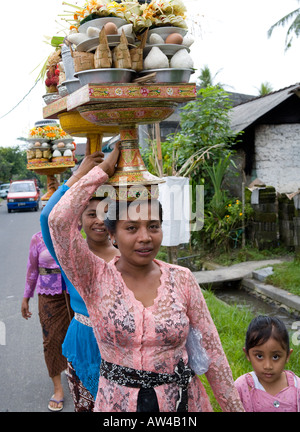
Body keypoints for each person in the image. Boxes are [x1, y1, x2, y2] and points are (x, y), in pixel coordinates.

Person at [48, 145, 244, 412]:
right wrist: (100, 172)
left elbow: (213, 353)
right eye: (131, 228)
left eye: (153, 226)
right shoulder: (94, 277)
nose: (145, 237)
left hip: (180, 405)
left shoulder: (182, 279)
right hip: (118, 406)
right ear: (112, 235)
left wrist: (234, 408)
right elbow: (58, 221)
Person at [40, 150, 119, 411]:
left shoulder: (129, 257)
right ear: (79, 220)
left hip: (123, 344)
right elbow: (47, 217)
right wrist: (80, 175)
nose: (99, 221)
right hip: (85, 341)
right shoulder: (71, 256)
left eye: (105, 212)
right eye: (90, 214)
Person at [21, 231, 73, 412]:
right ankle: (58, 388)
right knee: (50, 340)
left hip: (73, 295)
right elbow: (32, 268)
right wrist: (26, 296)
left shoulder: (72, 233)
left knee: (75, 337)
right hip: (48, 296)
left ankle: (75, 372)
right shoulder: (38, 237)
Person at [235, 315, 300, 412]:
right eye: (259, 356)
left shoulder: (297, 386)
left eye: (275, 357)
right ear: (247, 354)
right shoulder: (242, 387)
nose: (268, 366)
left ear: (287, 356)